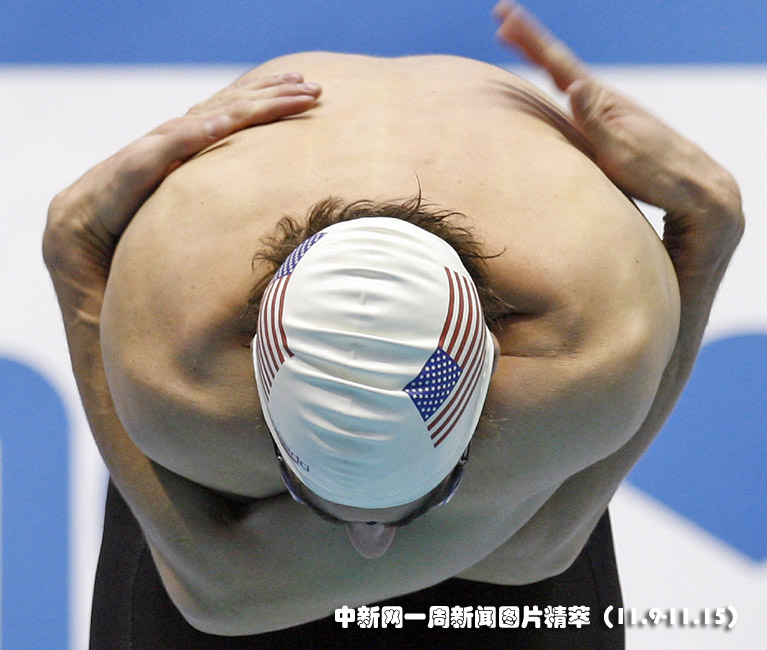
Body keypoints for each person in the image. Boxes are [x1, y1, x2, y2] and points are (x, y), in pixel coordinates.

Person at [44, 2, 743, 648]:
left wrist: (711, 223)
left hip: (495, 379)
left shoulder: (584, 342)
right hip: (289, 265)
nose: (371, 542)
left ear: (492, 372)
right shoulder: (182, 373)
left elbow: (222, 587)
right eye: (308, 491)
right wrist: (71, 253)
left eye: (431, 495)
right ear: (257, 382)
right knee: (523, 540)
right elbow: (216, 594)